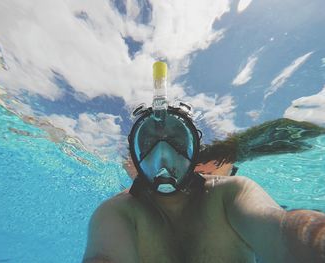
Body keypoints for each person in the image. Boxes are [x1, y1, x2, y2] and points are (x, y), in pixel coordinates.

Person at [82, 62, 325, 263]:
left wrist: (314, 239)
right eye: (148, 144)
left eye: (176, 141)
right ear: (134, 154)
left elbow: (281, 229)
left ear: (194, 149)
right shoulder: (118, 211)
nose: (163, 156)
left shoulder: (231, 193)